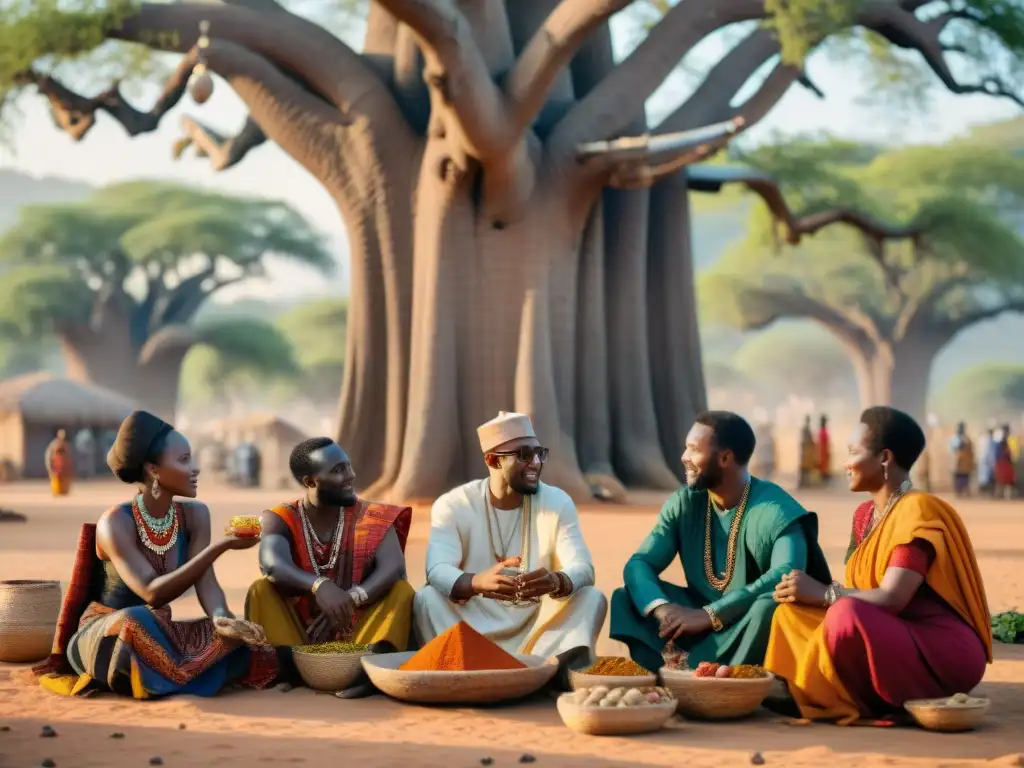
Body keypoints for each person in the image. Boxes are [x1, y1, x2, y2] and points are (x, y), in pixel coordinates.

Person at [765, 406, 992, 725]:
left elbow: (891, 598)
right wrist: (810, 595)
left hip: (940, 650)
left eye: (853, 453)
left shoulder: (918, 509)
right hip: (889, 635)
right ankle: (813, 689)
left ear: (884, 458)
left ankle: (847, 697)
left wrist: (821, 592)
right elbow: (863, 597)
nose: (845, 464)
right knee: (791, 614)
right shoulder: (864, 515)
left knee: (845, 613)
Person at [33, 410, 278, 698]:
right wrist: (221, 547)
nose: (195, 469)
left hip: (157, 630)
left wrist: (222, 618)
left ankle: (161, 673)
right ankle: (169, 672)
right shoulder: (115, 522)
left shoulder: (195, 516)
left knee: (243, 638)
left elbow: (207, 583)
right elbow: (152, 593)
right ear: (153, 470)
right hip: (107, 632)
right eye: (184, 460)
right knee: (136, 621)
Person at [610, 411, 831, 672]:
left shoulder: (775, 508)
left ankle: (723, 677)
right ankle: (671, 671)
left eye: (693, 449)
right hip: (693, 618)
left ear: (725, 458)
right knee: (628, 597)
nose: (684, 457)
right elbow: (641, 563)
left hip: (746, 622)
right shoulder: (685, 502)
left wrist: (710, 615)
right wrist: (663, 609)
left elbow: (787, 573)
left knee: (769, 607)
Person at [413, 411, 607, 665]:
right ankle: (465, 664)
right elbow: (437, 569)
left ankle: (549, 669)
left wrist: (556, 580)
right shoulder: (453, 504)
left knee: (591, 597)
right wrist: (477, 582)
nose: (536, 463)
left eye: (540, 454)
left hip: (536, 630)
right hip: (472, 626)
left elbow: (583, 567)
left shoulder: (557, 502)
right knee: (427, 599)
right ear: (493, 460)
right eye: (524, 456)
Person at [245, 437, 414, 695]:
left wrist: (350, 599)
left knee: (402, 591)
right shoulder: (280, 517)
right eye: (337, 470)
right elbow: (271, 564)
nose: (350, 476)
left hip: (359, 635)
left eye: (348, 466)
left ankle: (369, 677)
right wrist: (319, 586)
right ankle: (290, 670)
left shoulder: (374, 516)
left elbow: (393, 567)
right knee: (261, 590)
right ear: (310, 482)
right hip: (302, 635)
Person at [45, 429, 74, 497]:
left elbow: (69, 456)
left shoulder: (66, 445)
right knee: (56, 480)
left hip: (64, 468)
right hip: (56, 467)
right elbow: (49, 456)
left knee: (65, 483)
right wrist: (50, 467)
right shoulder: (54, 445)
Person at [949, 422, 974, 497]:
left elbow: (970, 450)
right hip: (957, 463)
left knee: (965, 477)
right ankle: (958, 492)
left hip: (965, 463)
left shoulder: (966, 439)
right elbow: (953, 449)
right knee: (958, 477)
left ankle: (965, 491)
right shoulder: (954, 438)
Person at [994, 425, 1017, 499]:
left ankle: (1002, 496)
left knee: (1003, 481)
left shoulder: (1007, 440)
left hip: (1003, 463)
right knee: (1004, 481)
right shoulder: (1004, 440)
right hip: (1004, 463)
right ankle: (1002, 496)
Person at [798, 416, 816, 489]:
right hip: (805, 452)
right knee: (804, 469)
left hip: (807, 452)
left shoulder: (806, 429)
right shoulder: (806, 430)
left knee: (806, 469)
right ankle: (802, 483)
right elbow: (806, 441)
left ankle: (805, 483)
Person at [818, 415, 832, 486]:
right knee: (823, 464)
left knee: (825, 464)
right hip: (822, 451)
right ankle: (823, 476)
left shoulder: (823, 431)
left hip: (824, 451)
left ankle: (824, 475)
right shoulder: (822, 431)